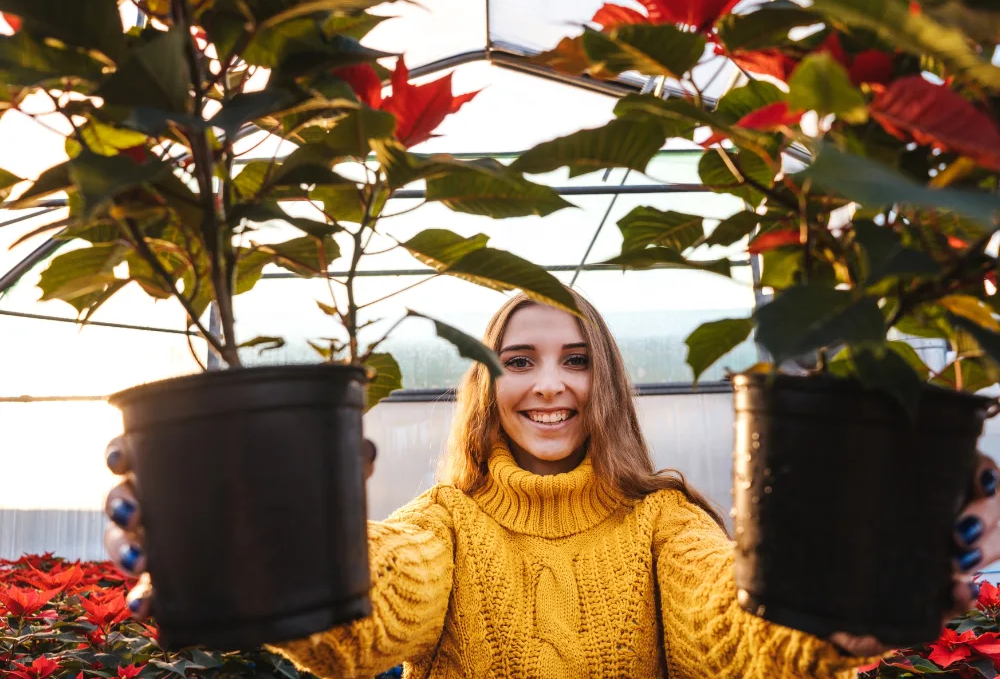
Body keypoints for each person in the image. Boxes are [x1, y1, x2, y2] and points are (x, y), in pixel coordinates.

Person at [102, 290, 1000, 678]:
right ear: (485, 382)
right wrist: (262, 546)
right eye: (519, 360)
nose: (549, 386)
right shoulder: (446, 521)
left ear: (605, 380)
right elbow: (371, 615)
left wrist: (833, 611)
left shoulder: (663, 521)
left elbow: (731, 636)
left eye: (576, 360)